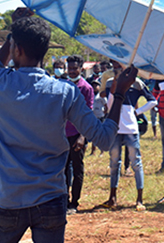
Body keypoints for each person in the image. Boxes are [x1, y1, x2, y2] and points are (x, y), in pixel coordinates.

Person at [0, 8, 136, 242]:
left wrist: (15, 32)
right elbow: (104, 139)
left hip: (8, 198)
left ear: (17, 48)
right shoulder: (65, 92)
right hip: (50, 198)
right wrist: (120, 94)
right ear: (45, 51)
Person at [102, 61, 156, 210]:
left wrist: (136, 112)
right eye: (116, 67)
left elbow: (152, 101)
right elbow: (110, 102)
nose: (118, 68)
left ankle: (139, 199)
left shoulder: (137, 83)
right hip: (115, 126)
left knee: (135, 162)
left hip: (130, 127)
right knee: (114, 163)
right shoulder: (110, 82)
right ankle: (112, 197)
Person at [64, 54, 94, 214]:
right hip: (63, 134)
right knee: (63, 169)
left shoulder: (86, 88)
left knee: (77, 168)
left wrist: (83, 136)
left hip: (77, 134)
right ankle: (64, 200)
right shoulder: (63, 85)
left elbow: (88, 114)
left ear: (81, 68)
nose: (72, 71)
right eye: (69, 68)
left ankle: (74, 203)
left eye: (75, 68)